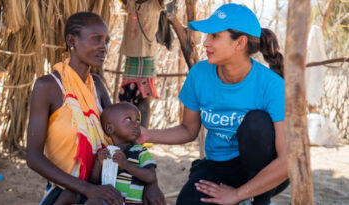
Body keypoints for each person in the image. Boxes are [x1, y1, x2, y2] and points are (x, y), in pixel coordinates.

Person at [138, 3, 289, 205]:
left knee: (256, 122)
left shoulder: (272, 85)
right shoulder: (199, 74)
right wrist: (147, 135)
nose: (205, 43)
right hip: (219, 166)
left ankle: (258, 200)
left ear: (240, 43)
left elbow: (288, 161)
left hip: (266, 172)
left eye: (214, 36)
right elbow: (188, 129)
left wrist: (236, 195)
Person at [26, 12, 164, 205]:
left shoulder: (97, 85)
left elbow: (123, 135)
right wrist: (87, 189)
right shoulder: (48, 87)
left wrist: (152, 183)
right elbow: (33, 157)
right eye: (96, 39)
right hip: (66, 190)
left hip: (103, 182)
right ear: (72, 40)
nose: (104, 47)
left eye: (106, 41)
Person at [56, 102, 157, 205]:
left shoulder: (140, 151)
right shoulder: (107, 152)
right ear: (110, 128)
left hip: (126, 202)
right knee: (68, 194)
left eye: (137, 120)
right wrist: (98, 163)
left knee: (95, 203)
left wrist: (126, 164)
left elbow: (151, 177)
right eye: (128, 119)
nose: (136, 125)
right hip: (107, 198)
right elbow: (94, 181)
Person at [118, 0, 164, 128]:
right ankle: (126, 134)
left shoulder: (156, 4)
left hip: (147, 56)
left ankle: (142, 137)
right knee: (127, 97)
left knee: (144, 99)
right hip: (131, 55)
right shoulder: (131, 2)